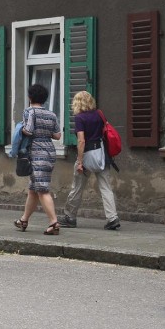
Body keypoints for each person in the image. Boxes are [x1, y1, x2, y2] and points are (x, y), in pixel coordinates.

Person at [58, 90, 120, 231]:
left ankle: (70, 217)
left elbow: (81, 141)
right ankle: (112, 218)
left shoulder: (80, 118)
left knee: (77, 187)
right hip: (101, 155)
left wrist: (80, 162)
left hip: (87, 155)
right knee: (106, 187)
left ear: (77, 103)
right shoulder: (99, 114)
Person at [14, 84, 63, 236]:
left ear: (30, 97)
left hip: (36, 152)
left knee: (42, 189)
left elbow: (28, 130)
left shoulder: (29, 111)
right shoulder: (51, 114)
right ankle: (24, 220)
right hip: (50, 151)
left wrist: (19, 128)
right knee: (33, 189)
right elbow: (57, 135)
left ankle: (54, 222)